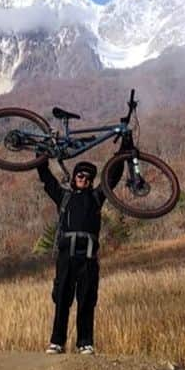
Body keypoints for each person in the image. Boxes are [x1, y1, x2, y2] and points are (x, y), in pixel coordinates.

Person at [36, 152, 124, 355]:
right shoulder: (64, 197)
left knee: (87, 299)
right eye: (79, 175)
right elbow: (48, 181)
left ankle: (85, 342)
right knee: (62, 298)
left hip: (89, 256)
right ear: (74, 177)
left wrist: (123, 151)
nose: (83, 179)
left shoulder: (96, 197)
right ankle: (57, 342)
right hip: (67, 255)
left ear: (92, 180)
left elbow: (112, 178)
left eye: (87, 177)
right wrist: (40, 158)